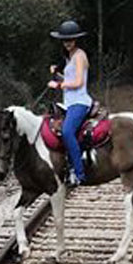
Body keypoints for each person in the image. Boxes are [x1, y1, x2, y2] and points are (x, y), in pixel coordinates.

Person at [48, 19, 92, 186]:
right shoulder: (69, 57)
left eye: (70, 39)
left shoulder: (80, 56)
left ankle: (79, 173)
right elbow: (69, 78)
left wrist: (58, 84)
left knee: (67, 132)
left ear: (76, 40)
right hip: (69, 102)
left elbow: (79, 82)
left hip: (79, 102)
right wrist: (58, 73)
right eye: (65, 40)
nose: (67, 43)